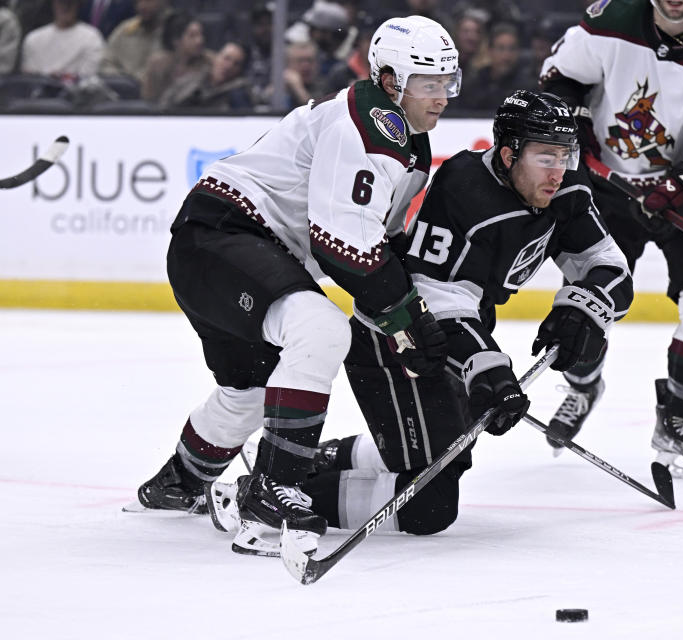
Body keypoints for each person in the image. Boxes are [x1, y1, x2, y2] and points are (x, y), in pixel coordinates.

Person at [217, 90, 633, 539]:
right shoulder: (464, 189)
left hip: (457, 333)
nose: (559, 171)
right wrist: (483, 366)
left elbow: (607, 265)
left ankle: (312, 462)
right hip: (398, 343)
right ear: (510, 154)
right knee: (429, 507)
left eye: (565, 156)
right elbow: (435, 295)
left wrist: (585, 306)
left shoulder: (568, 189)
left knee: (453, 455)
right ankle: (257, 491)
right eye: (545, 157)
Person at [134, 15, 461, 547]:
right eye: (428, 82)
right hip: (223, 238)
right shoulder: (372, 121)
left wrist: (409, 319)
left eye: (448, 82)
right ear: (388, 79)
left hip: (224, 251)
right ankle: (274, 488)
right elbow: (343, 246)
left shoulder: (406, 141)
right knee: (321, 330)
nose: (442, 96)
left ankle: (179, 482)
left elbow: (379, 249)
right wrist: (407, 318)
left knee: (250, 391)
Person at [540, 0, 683, 480]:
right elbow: (561, 74)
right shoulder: (609, 20)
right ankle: (583, 386)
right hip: (608, 190)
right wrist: (572, 126)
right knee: (587, 304)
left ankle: (678, 419)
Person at [20, 0, 105, 81]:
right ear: (53, 3)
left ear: (78, 5)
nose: (66, 7)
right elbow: (30, 79)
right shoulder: (33, 39)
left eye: (70, 3)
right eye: (61, 2)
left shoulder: (92, 37)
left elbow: (87, 78)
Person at [158, 41, 252, 111]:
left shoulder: (239, 94)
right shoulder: (190, 81)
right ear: (216, 57)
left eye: (236, 64)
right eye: (226, 58)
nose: (229, 66)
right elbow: (164, 106)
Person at [140, 11, 210, 103]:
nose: (200, 40)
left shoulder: (209, 62)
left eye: (200, 34)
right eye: (192, 36)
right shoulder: (157, 64)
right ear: (176, 41)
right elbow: (148, 100)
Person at [97, 0, 169, 85]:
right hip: (118, 88)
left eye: (149, 1)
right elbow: (105, 61)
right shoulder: (125, 28)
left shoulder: (174, 32)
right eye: (138, 1)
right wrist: (122, 79)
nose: (142, 6)